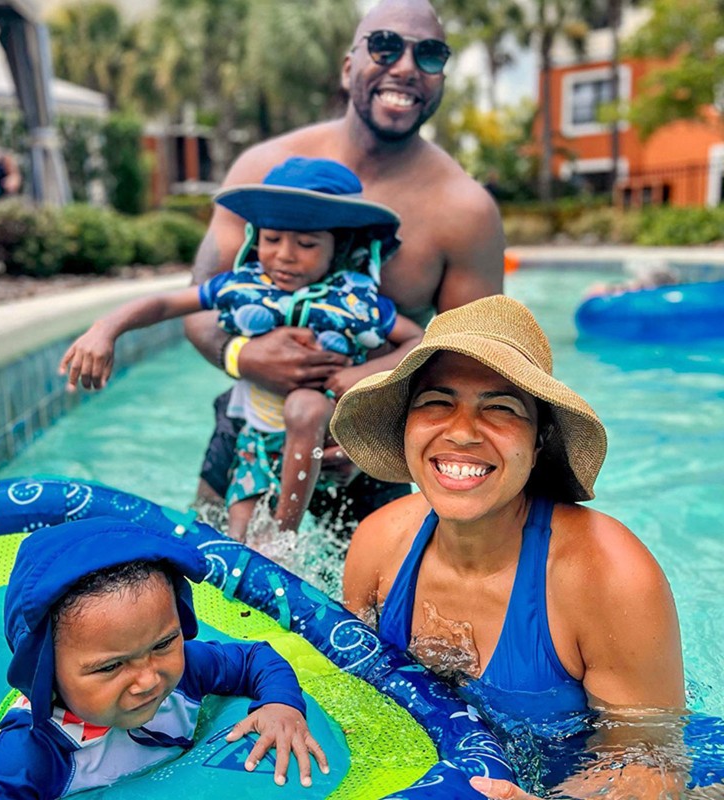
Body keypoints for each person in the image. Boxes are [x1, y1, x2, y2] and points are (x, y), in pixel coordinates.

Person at [331, 295, 686, 799]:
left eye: (499, 408)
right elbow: (351, 690)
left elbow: (654, 764)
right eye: (436, 402)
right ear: (406, 425)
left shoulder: (607, 575)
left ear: (539, 440)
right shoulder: (379, 541)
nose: (462, 432)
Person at [185, 0, 506, 526]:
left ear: (441, 75)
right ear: (348, 65)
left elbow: (468, 362)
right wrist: (242, 355)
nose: (404, 67)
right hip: (252, 424)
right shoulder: (264, 170)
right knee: (198, 575)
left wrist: (375, 436)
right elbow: (198, 302)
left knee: (366, 606)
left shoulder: (464, 212)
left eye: (428, 55)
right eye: (384, 46)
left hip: (375, 450)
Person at [58, 158, 422, 542]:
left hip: (323, 435)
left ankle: (286, 539)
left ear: (340, 246)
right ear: (256, 236)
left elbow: (419, 340)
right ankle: (264, 553)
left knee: (305, 405)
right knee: (235, 546)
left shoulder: (354, 302)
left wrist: (358, 375)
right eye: (272, 239)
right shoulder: (241, 288)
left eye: (307, 244)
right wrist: (106, 328)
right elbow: (166, 304)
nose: (285, 254)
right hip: (255, 433)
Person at [0, 517, 328, 798]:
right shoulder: (34, 753)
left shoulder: (187, 672)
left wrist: (282, 706)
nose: (148, 680)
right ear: (46, 674)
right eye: (112, 666)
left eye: (163, 644)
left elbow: (255, 659)